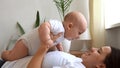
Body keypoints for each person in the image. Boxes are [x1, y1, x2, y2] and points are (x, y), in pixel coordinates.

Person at [1, 11, 87, 61]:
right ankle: (4, 53)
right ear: (70, 26)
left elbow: (57, 42)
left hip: (32, 50)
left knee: (21, 59)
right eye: (79, 33)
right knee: (12, 57)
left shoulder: (62, 36)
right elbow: (44, 26)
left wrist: (60, 49)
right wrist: (46, 39)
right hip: (26, 44)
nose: (78, 37)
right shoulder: (58, 26)